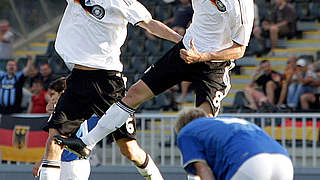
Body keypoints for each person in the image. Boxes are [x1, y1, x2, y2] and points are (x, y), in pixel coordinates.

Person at [54, 0, 255, 165]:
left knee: (202, 125)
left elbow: (239, 49)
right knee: (133, 94)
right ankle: (86, 143)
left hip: (214, 64)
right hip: (185, 50)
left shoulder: (241, 5)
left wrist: (203, 57)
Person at [40, 0, 183, 179]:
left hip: (108, 82)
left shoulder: (121, 1)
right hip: (77, 79)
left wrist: (181, 41)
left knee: (129, 149)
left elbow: (149, 24)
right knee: (55, 140)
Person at [175, 108, 294, 180]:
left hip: (249, 163)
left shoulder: (188, 131)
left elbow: (202, 168)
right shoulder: (226, 121)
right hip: (283, 162)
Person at [32, 77, 98, 179]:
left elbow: (56, 140)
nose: (51, 98)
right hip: (66, 162)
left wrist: (43, 161)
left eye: (53, 94)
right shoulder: (64, 110)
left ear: (62, 93)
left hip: (72, 163)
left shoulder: (68, 113)